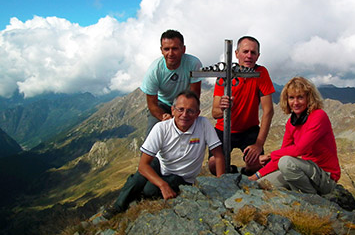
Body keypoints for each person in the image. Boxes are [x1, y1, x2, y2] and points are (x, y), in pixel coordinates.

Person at [103, 90, 225, 219]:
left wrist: (221, 184)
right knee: (139, 176)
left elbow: (218, 155)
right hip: (162, 167)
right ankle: (118, 207)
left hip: (183, 178)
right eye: (180, 109)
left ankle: (141, 195)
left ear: (197, 114)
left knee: (150, 189)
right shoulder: (161, 128)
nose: (185, 114)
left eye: (190, 111)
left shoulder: (204, 124)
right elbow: (143, 165)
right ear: (172, 110)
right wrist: (163, 185)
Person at [249, 77, 341, 195]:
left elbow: (300, 149)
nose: (295, 103)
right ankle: (299, 192)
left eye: (300, 97)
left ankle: (311, 199)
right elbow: (282, 154)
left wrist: (270, 155)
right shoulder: (291, 123)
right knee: (261, 184)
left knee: (286, 163)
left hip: (326, 177)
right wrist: (256, 176)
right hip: (305, 172)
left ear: (309, 98)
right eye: (291, 98)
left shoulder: (319, 116)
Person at [209, 36, 275, 175]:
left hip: (249, 130)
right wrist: (223, 109)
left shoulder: (261, 73)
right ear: (237, 54)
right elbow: (215, 114)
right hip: (223, 129)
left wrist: (258, 144)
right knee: (214, 164)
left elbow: (268, 111)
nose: (249, 56)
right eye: (245, 52)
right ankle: (232, 174)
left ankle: (245, 174)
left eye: (253, 52)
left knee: (258, 163)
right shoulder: (224, 74)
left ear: (258, 56)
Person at [140, 29, 202, 135]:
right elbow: (152, 105)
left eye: (175, 48)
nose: (170, 53)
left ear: (183, 49)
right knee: (152, 135)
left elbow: (195, 95)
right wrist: (164, 117)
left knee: (194, 134)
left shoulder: (194, 64)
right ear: (161, 50)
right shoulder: (154, 70)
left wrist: (183, 114)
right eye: (166, 49)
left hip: (185, 102)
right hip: (162, 104)